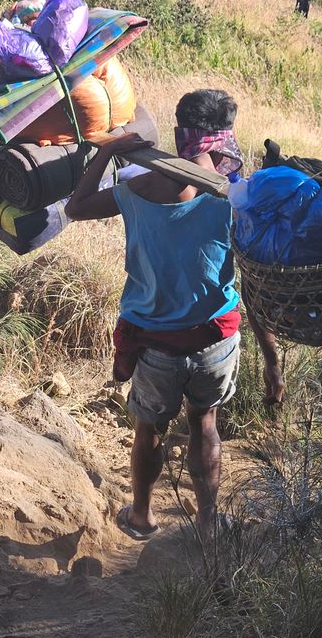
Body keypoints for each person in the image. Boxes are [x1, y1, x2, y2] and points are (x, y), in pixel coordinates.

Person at [66, 88, 284, 541]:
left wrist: (105, 154)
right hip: (215, 336)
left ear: (181, 132)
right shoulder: (234, 196)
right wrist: (272, 362)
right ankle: (207, 524)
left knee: (148, 429)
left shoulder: (139, 187)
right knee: (205, 422)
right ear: (225, 136)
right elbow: (254, 285)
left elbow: (75, 207)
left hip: (154, 339)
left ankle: (142, 516)